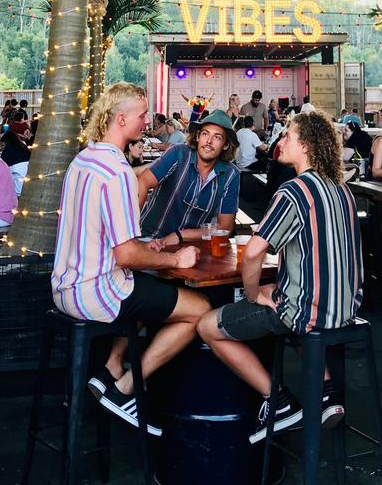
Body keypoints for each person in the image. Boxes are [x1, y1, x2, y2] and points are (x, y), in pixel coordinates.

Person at [51, 82, 209, 436]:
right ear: (121, 119)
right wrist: (176, 259)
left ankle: (110, 368)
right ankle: (124, 391)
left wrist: (145, 249)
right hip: (95, 291)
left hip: (64, 286)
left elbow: (111, 240)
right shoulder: (118, 170)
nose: (146, 121)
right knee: (199, 310)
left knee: (149, 288)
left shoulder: (83, 159)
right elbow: (125, 254)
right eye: (141, 115)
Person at [197, 109, 362, 443]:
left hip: (309, 313)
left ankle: (278, 400)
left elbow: (255, 251)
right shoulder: (342, 189)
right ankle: (327, 392)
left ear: (305, 145)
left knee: (207, 326)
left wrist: (254, 293)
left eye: (287, 135)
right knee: (288, 301)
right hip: (347, 310)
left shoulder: (294, 191)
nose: (281, 140)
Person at [138, 109, 240, 242]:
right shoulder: (179, 154)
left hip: (189, 247)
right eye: (205, 134)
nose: (209, 141)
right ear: (198, 137)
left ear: (226, 145)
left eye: (217, 137)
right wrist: (131, 230)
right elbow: (143, 182)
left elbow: (224, 229)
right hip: (149, 237)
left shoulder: (230, 174)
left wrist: (180, 235)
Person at [0, 120, 32, 196]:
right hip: (28, 185)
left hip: (17, 190)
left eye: (3, 144)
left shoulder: (8, 151)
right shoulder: (23, 147)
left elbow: (1, 169)